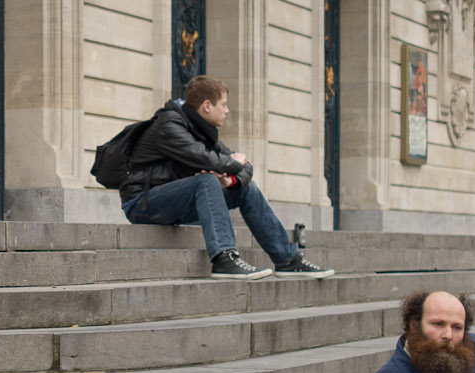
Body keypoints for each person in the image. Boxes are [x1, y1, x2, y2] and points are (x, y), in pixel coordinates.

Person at [119, 75, 333, 281]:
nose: (227, 110)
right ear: (207, 106)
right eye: (224, 104)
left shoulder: (202, 130)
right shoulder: (169, 126)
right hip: (141, 204)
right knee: (206, 180)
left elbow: (244, 166)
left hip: (173, 204)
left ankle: (287, 260)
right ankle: (224, 257)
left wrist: (232, 180)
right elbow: (208, 159)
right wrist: (235, 164)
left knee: (244, 188)